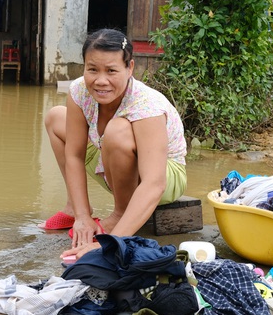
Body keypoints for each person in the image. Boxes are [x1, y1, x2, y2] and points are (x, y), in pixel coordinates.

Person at [40, 28, 187, 261]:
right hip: (110, 159)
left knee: (117, 130)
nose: (100, 81)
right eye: (92, 70)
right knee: (56, 116)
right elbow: (75, 155)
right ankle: (74, 209)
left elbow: (154, 183)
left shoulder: (146, 104)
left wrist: (110, 245)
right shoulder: (79, 90)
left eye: (111, 71)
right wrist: (82, 216)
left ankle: (120, 214)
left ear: (130, 68)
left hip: (164, 176)